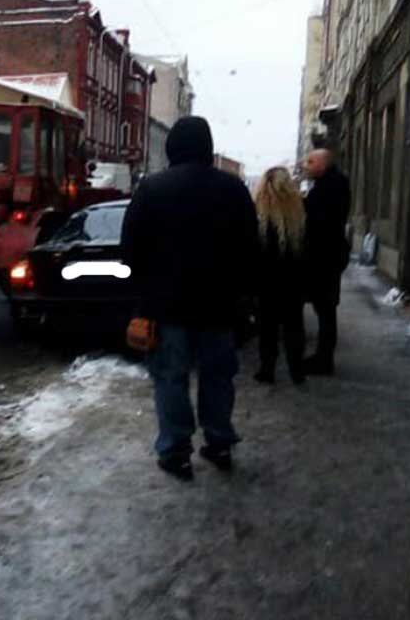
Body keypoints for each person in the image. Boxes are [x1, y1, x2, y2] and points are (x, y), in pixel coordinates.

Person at [121, 117, 259, 478]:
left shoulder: (152, 189)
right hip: (219, 308)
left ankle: (175, 451)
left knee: (170, 379)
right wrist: (242, 297)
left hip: (167, 309)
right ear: (207, 147)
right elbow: (249, 250)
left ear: (172, 148)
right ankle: (219, 443)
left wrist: (148, 288)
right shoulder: (234, 189)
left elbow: (130, 250)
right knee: (218, 378)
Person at [252, 167, 307, 385]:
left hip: (266, 282)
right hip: (293, 281)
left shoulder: (261, 217)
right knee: (294, 325)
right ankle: (296, 370)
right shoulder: (300, 213)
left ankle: (267, 369)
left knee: (267, 327)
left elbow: (253, 251)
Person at [302, 148, 351, 375]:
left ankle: (324, 360)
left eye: (311, 161)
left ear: (323, 164)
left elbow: (318, 220)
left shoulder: (330, 187)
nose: (307, 165)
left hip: (325, 258)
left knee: (326, 310)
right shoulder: (330, 184)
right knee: (325, 310)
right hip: (328, 256)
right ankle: (323, 357)